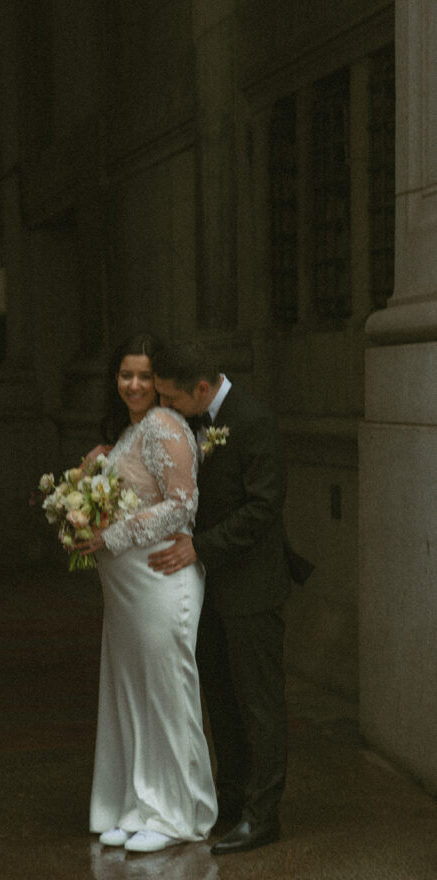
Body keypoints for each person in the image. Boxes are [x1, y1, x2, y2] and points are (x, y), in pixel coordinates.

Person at [150, 339, 298, 856]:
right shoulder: (192, 419)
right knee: (222, 699)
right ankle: (231, 803)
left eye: (172, 398)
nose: (165, 407)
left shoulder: (253, 418)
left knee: (259, 705)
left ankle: (263, 816)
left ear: (203, 389)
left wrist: (201, 547)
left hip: (251, 586)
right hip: (209, 588)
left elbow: (264, 507)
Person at [74, 333, 217, 854]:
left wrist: (109, 536)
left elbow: (182, 505)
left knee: (165, 695)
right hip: (125, 589)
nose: (133, 384)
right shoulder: (130, 433)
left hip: (160, 580)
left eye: (143, 376)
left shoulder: (163, 424)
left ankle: (176, 812)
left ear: (159, 381)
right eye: (125, 374)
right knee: (131, 696)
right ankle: (135, 804)